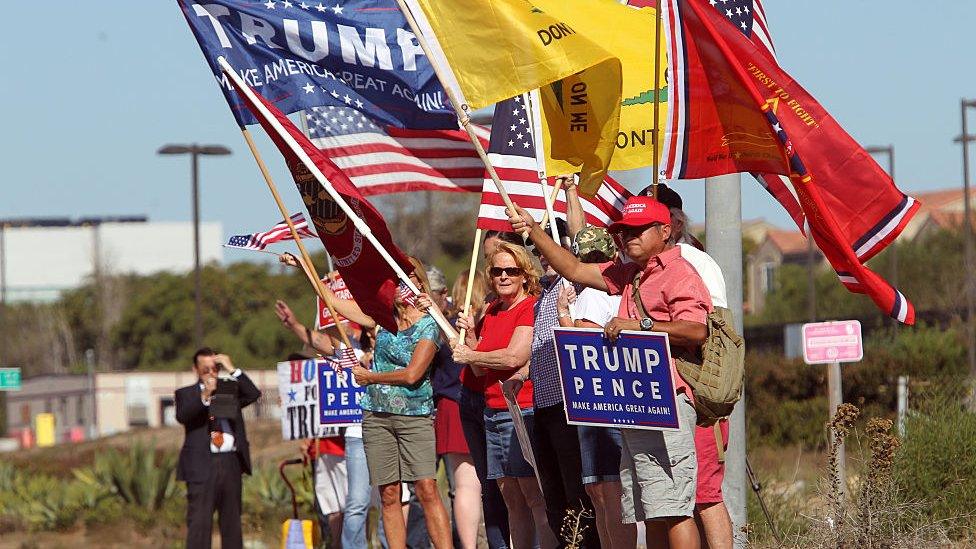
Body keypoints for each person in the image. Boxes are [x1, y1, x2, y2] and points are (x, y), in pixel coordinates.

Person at [508, 196, 712, 549]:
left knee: (676, 506)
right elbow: (573, 269)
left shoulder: (679, 272)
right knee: (653, 507)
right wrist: (535, 232)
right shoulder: (631, 273)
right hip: (640, 405)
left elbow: (696, 330)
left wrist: (638, 325)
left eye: (638, 230)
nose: (628, 237)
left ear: (665, 231)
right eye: (623, 231)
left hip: (672, 401)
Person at [319, 257, 452, 549]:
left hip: (415, 416)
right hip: (377, 416)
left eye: (408, 278)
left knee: (426, 488)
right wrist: (304, 265)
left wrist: (371, 377)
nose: (403, 285)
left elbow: (413, 374)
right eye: (397, 280)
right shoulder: (382, 317)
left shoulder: (430, 324)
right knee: (388, 494)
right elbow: (331, 300)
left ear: (420, 283)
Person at [453, 242, 557, 549]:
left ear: (525, 275)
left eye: (511, 270)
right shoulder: (493, 310)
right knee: (509, 495)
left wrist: (470, 353)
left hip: (522, 410)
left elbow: (514, 357)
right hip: (492, 411)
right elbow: (479, 373)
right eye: (497, 270)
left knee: (532, 494)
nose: (503, 276)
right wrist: (470, 341)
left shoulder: (530, 306)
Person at [657, 189, 734, 549]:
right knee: (666, 498)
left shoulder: (694, 262)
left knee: (704, 493)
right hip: (665, 395)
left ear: (673, 222)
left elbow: (712, 332)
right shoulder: (648, 266)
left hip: (697, 394)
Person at [556, 226, 635, 549]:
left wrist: (564, 313)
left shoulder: (592, 294)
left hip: (600, 401)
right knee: (599, 491)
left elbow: (582, 346)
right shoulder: (618, 290)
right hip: (603, 400)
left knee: (607, 491)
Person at [526, 217, 599, 548]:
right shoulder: (541, 294)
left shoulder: (574, 286)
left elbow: (579, 229)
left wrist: (570, 188)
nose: (544, 255)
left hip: (570, 409)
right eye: (539, 250)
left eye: (551, 248)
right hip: (542, 405)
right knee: (554, 497)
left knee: (577, 493)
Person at [444, 269, 512, 549]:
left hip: (492, 400)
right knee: (489, 484)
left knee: (502, 486)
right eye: (495, 272)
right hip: (470, 399)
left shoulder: (497, 315)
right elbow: (473, 365)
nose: (501, 276)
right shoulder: (466, 321)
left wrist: (471, 342)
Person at [176, 348, 262, 549]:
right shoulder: (186, 393)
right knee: (199, 524)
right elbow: (183, 415)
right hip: (201, 465)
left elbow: (253, 393)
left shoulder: (228, 390)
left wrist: (232, 369)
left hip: (230, 461)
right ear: (195, 369)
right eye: (205, 369)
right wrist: (205, 394)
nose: (211, 373)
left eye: (214, 368)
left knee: (231, 523)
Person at [427, 267, 484, 549]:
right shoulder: (451, 325)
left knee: (464, 486)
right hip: (462, 403)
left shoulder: (444, 326)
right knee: (470, 486)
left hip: (457, 403)